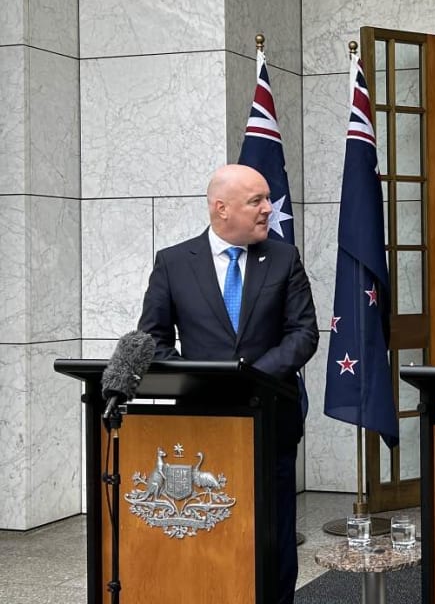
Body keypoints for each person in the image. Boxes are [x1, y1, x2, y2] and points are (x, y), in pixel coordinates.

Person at [138, 163, 317, 604]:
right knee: (214, 526)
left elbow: (303, 334)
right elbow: (152, 340)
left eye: (266, 200)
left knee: (274, 533)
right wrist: (202, 384)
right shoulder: (175, 262)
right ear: (221, 209)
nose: (266, 211)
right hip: (204, 425)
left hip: (272, 417)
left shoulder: (283, 257)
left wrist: (250, 381)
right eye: (256, 201)